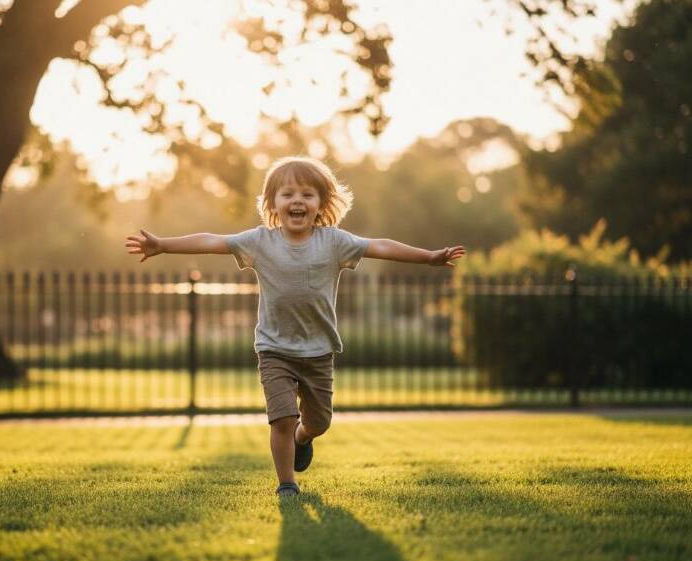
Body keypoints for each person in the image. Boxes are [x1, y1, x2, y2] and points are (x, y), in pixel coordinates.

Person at [125, 156, 465, 496]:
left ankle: (305, 437)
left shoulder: (334, 242)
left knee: (318, 422)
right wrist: (163, 245)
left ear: (321, 204)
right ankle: (287, 483)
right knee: (282, 419)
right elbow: (213, 241)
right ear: (272, 203)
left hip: (318, 350)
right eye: (287, 194)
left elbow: (380, 246)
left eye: (307, 194)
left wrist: (428, 256)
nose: (297, 201)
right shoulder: (260, 242)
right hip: (274, 349)